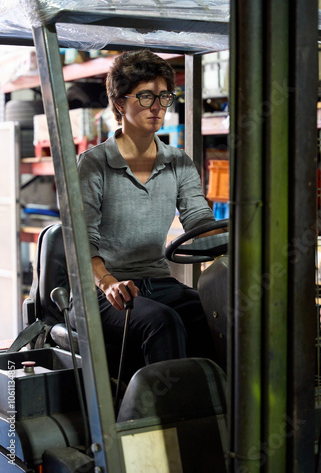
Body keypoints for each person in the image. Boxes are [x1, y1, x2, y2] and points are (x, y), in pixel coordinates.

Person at [72, 49, 218, 381]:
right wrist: (108, 283)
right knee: (161, 322)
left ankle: (215, 418)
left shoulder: (178, 161)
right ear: (120, 103)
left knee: (217, 315)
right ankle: (162, 426)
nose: (157, 107)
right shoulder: (94, 164)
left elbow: (199, 220)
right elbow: (83, 243)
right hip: (102, 290)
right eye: (146, 96)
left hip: (159, 283)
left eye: (164, 96)